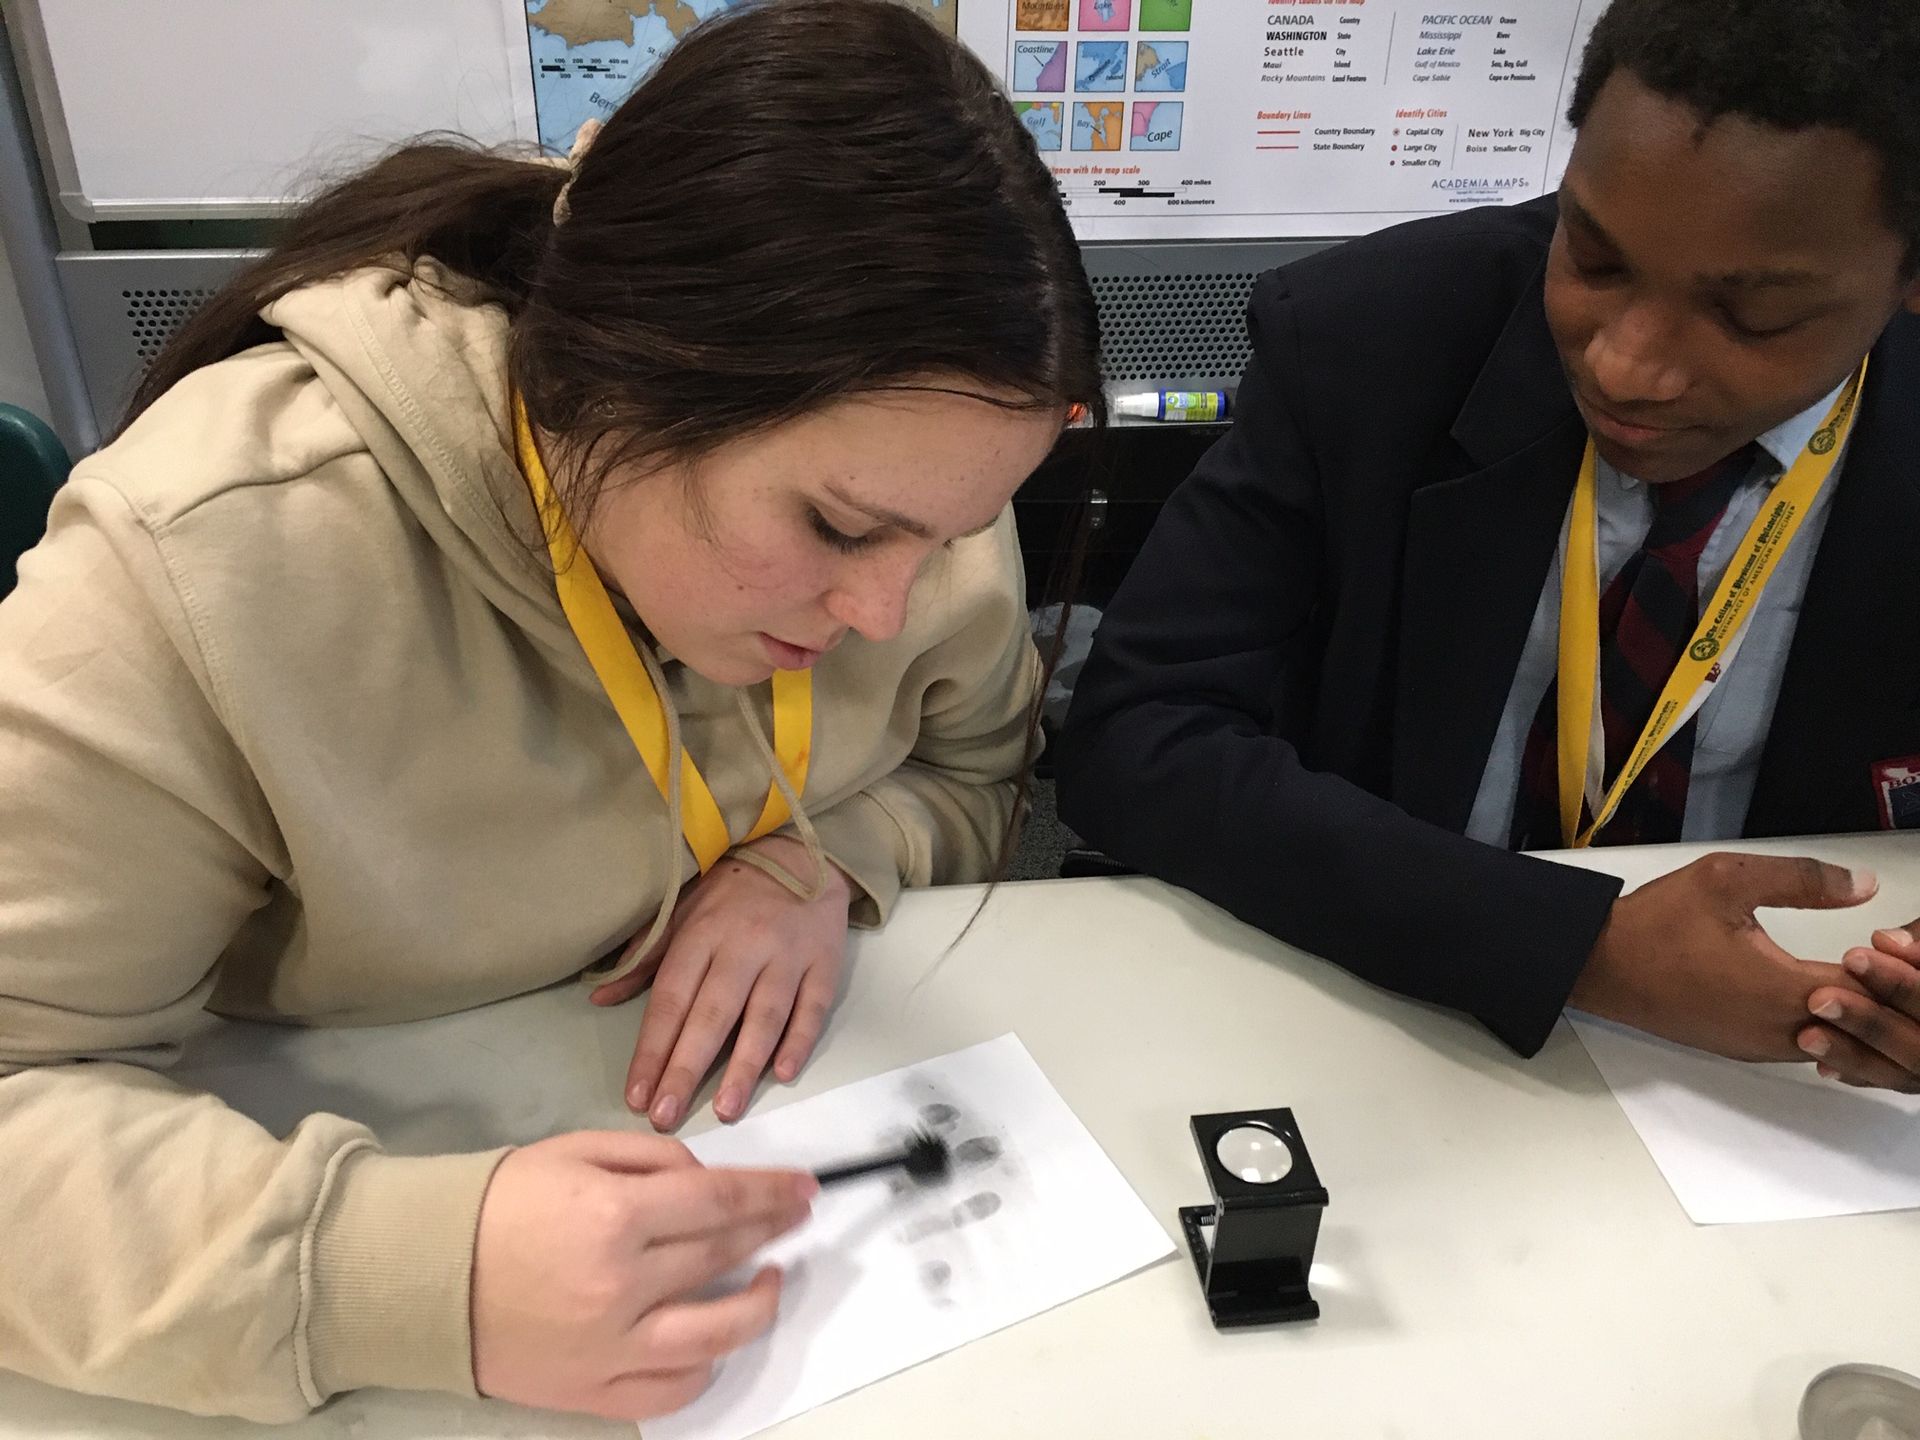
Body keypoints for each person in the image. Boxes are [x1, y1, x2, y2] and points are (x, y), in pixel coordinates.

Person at [0, 0, 1101, 1422]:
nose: (890, 613)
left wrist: (827, 860)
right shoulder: (214, 557)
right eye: (835, 529)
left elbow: (981, 771)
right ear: (618, 379)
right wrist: (404, 1278)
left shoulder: (916, 489)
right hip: (324, 1226)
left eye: (947, 538)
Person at [1059, 0, 1920, 1090]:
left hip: (1786, 1074)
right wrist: (1579, 947)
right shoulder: (1371, 340)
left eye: (1749, 319)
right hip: (1396, 1020)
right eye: (1595, 258)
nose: (1626, 367)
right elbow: (1135, 733)